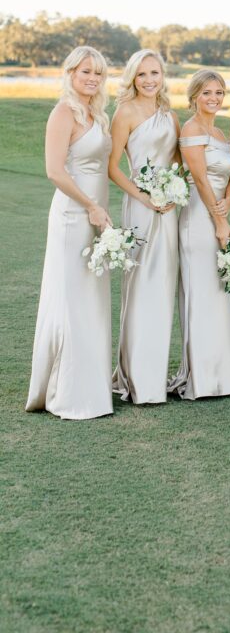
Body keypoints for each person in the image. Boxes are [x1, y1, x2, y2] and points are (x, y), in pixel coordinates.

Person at [26, 46, 114, 420]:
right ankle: (68, 391)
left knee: (92, 299)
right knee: (72, 299)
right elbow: (55, 171)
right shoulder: (63, 112)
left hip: (96, 216)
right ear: (70, 73)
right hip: (72, 215)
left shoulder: (97, 112)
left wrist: (100, 210)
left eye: (98, 73)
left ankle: (93, 382)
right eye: (85, 72)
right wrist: (90, 206)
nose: (92, 78)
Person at [109, 50, 181, 405]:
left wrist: (174, 189)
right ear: (133, 79)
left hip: (169, 210)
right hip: (141, 208)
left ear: (162, 75)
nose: (150, 80)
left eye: (155, 73)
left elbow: (181, 162)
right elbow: (114, 168)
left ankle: (155, 375)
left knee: (163, 288)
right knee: (140, 287)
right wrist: (144, 197)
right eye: (142, 75)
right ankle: (136, 379)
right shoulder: (124, 113)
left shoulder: (170, 115)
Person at [168, 70, 230, 400]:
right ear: (194, 96)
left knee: (219, 291)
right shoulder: (191, 130)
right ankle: (201, 377)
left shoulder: (218, 131)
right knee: (202, 291)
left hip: (220, 211)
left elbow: (228, 176)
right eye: (207, 93)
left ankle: (223, 375)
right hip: (200, 218)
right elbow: (199, 181)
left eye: (219, 93)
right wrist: (219, 223)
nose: (214, 98)